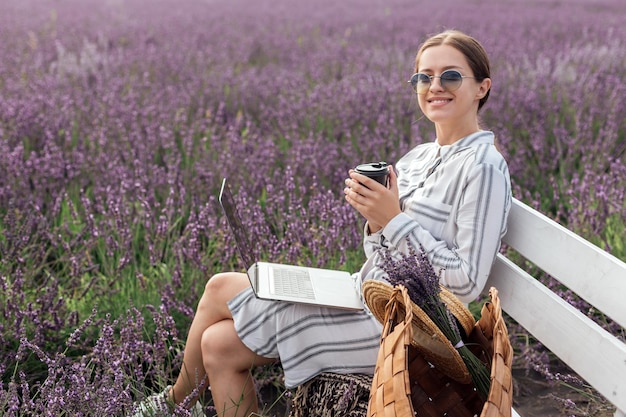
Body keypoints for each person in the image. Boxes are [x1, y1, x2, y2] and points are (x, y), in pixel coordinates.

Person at [130, 29, 511, 417]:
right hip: (367, 294)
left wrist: (392, 220)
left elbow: (466, 281)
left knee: (218, 311)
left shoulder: (483, 167)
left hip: (411, 328)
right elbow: (385, 250)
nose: (434, 86)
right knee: (216, 342)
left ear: (482, 87)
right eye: (423, 77)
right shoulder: (419, 157)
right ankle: (177, 401)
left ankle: (175, 402)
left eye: (450, 76)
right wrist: (377, 224)